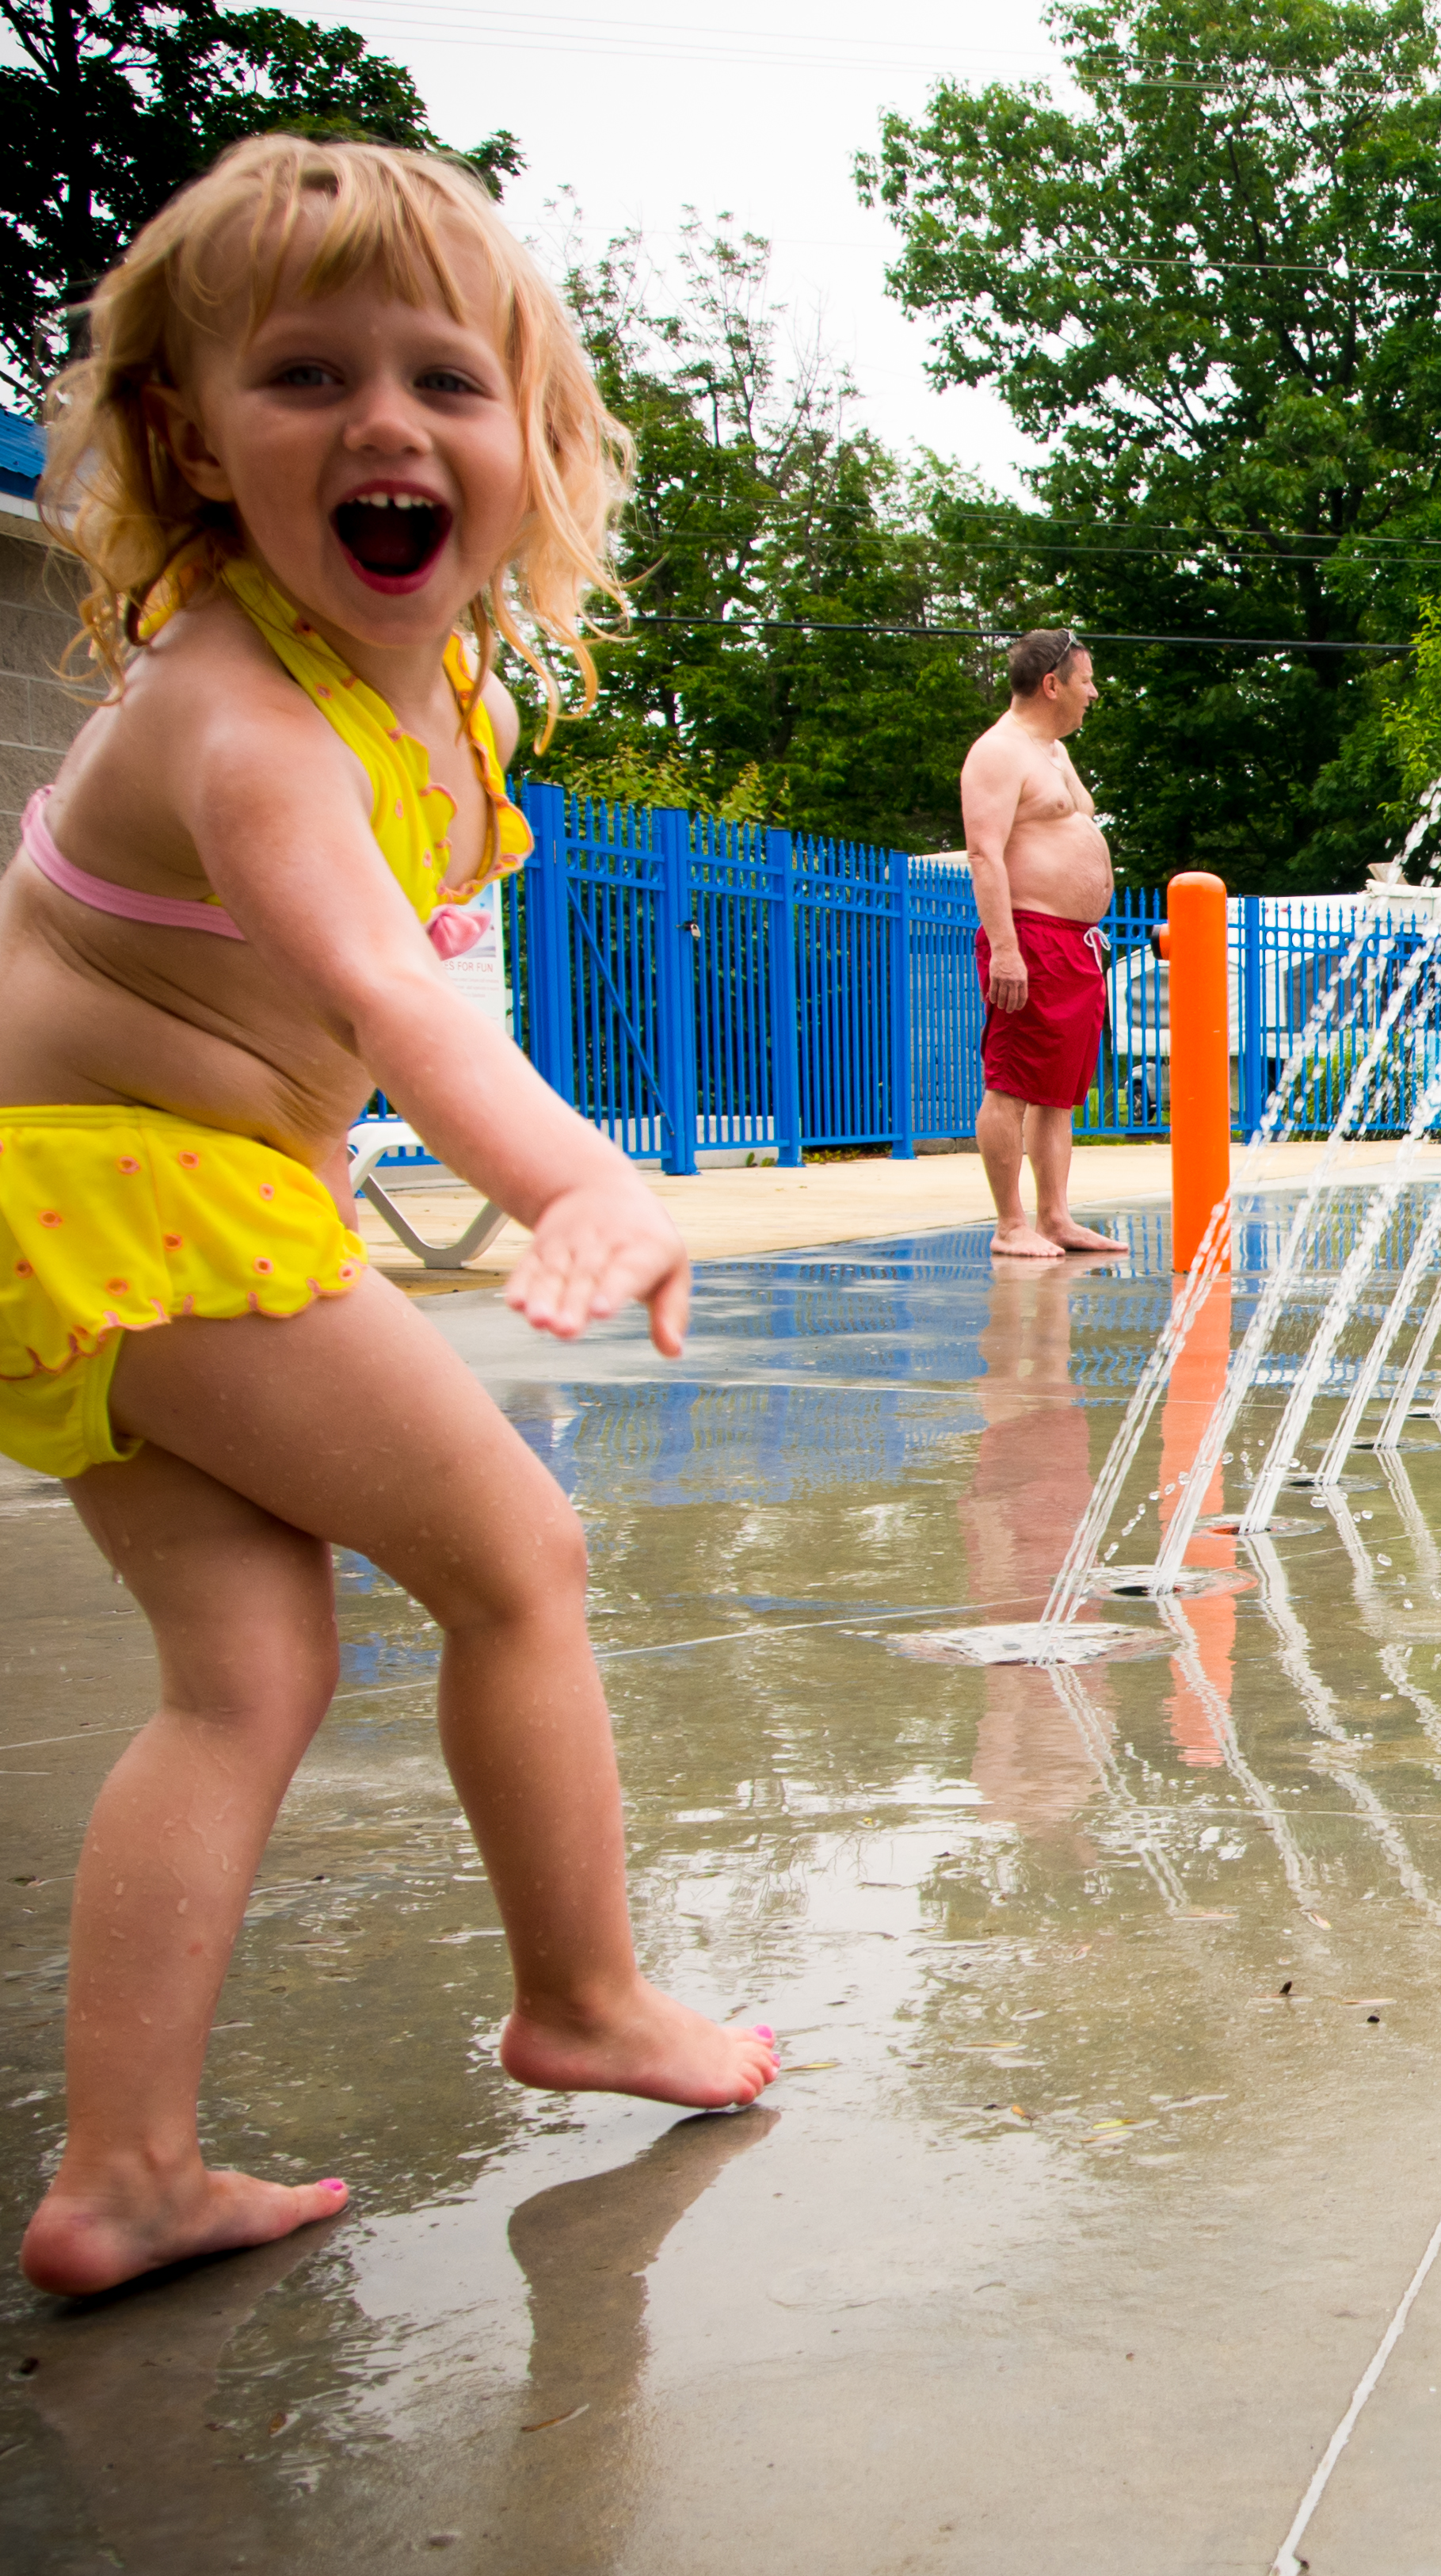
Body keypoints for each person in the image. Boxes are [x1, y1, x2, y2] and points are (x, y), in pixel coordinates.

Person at [2, 137, 779, 2296]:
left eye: (447, 380)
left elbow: (300, 1054)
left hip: (129, 1205)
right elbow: (378, 996)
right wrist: (584, 1181)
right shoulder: (247, 724)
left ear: (534, 436)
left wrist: (331, 1203)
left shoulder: (422, 687)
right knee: (515, 1557)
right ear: (185, 439)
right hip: (110, 1204)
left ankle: (123, 2173)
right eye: (306, 377)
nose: (384, 428)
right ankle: (586, 1995)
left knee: (243, 1672)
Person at [964, 629, 1126, 1261]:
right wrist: (1006, 950)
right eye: (1085, 680)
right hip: (1028, 937)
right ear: (1052, 683)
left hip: (1076, 944)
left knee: (1059, 1090)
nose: (1093, 692)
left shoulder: (1054, 752)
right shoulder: (998, 753)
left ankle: (1055, 1217)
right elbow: (985, 853)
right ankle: (1011, 1226)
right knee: (1011, 1084)